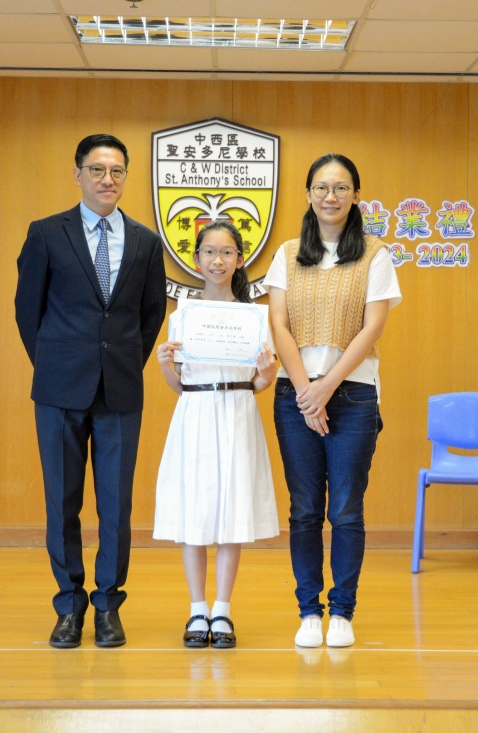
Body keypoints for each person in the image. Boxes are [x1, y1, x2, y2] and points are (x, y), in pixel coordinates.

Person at [15, 133, 167, 649]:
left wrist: (120, 363)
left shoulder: (145, 241)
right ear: (78, 174)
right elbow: (27, 310)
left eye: (117, 171)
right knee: (62, 500)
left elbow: (151, 315)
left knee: (116, 505)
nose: (108, 179)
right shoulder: (46, 233)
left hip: (120, 388)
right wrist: (55, 363)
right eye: (98, 170)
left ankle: (107, 604)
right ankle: (68, 604)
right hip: (59, 388)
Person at [264, 153, 401, 649]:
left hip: (354, 396)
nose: (331, 196)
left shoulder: (374, 254)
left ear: (356, 195)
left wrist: (326, 388)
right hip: (295, 396)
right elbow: (278, 324)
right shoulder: (287, 253)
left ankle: (342, 611)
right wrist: (307, 391)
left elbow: (372, 327)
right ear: (308, 195)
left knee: (344, 509)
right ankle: (308, 610)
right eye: (321, 187)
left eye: (341, 188)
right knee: (304, 509)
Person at [154, 220, 279, 649]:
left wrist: (268, 373)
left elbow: (259, 384)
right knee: (196, 511)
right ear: (196, 259)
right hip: (196, 413)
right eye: (209, 252)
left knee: (231, 509)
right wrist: (165, 366)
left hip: (238, 411)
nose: (218, 260)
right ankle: (197, 608)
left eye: (226, 252)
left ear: (240, 260)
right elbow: (180, 385)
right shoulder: (183, 316)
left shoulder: (254, 317)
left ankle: (222, 609)